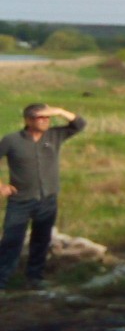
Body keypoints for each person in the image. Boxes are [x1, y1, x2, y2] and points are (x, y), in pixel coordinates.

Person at [0, 103, 87, 290]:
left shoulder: (54, 136)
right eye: (41, 117)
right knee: (11, 241)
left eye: (48, 118)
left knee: (41, 240)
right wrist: (0, 186)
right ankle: (3, 281)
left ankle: (35, 278)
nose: (46, 121)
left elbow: (80, 124)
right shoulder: (12, 140)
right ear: (28, 120)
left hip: (47, 199)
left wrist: (59, 111)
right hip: (20, 200)